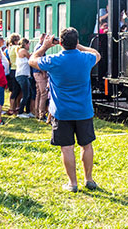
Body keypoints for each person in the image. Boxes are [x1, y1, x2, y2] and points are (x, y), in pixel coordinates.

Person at [29, 28, 101, 192]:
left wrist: (45, 46)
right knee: (86, 145)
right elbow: (97, 54)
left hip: (61, 111)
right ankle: (89, 179)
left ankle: (72, 183)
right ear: (76, 42)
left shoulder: (53, 59)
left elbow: (32, 60)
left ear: (60, 43)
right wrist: (79, 46)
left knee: (67, 147)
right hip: (84, 110)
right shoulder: (86, 58)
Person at [15, 38, 34, 118]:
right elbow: (31, 58)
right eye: (28, 44)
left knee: (29, 93)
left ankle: (28, 111)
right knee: (26, 94)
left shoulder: (21, 51)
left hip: (25, 75)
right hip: (22, 75)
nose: (29, 46)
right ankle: (20, 112)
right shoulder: (23, 51)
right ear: (25, 44)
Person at [33, 34, 48, 121]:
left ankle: (37, 112)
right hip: (39, 73)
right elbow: (40, 62)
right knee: (44, 94)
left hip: (36, 73)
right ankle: (42, 114)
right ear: (42, 38)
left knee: (39, 93)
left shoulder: (37, 47)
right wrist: (44, 73)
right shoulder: (40, 48)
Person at [7, 34, 21, 115]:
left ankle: (12, 106)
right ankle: (13, 108)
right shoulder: (16, 48)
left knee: (13, 90)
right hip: (16, 69)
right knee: (16, 90)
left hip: (12, 69)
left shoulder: (10, 48)